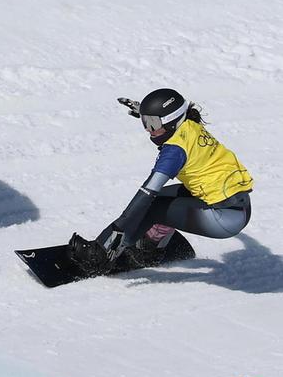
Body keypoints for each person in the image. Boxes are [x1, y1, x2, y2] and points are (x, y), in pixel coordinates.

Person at [68, 88, 254, 276]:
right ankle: (152, 243)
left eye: (153, 123)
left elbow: (146, 192)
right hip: (238, 206)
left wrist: (117, 230)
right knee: (163, 197)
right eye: (146, 122)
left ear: (172, 122)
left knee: (151, 207)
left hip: (223, 218)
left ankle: (103, 257)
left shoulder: (174, 151)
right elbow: (175, 113)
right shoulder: (188, 123)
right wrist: (145, 112)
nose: (149, 130)